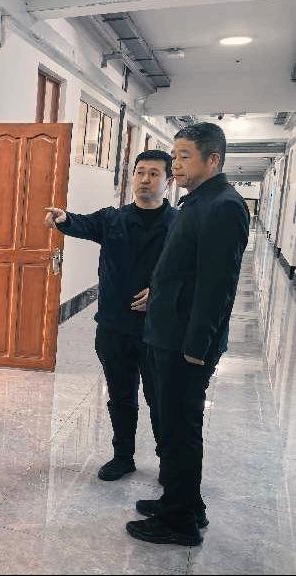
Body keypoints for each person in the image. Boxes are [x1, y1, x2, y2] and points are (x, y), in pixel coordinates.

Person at [127, 123, 249, 546]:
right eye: (174, 155)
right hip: (170, 333)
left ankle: (178, 522)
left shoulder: (224, 206)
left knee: (180, 430)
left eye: (183, 156)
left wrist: (198, 346)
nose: (174, 164)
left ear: (212, 160)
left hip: (185, 345)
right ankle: (185, 504)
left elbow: (218, 286)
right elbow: (186, 269)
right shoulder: (200, 201)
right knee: (175, 425)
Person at [45, 150, 177, 481]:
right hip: (114, 328)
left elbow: (191, 274)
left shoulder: (179, 225)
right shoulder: (112, 219)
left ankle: (169, 461)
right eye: (140, 172)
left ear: (169, 181)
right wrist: (64, 219)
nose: (145, 179)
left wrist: (160, 294)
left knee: (161, 399)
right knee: (120, 397)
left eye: (154, 174)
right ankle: (123, 456)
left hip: (159, 332)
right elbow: (80, 223)